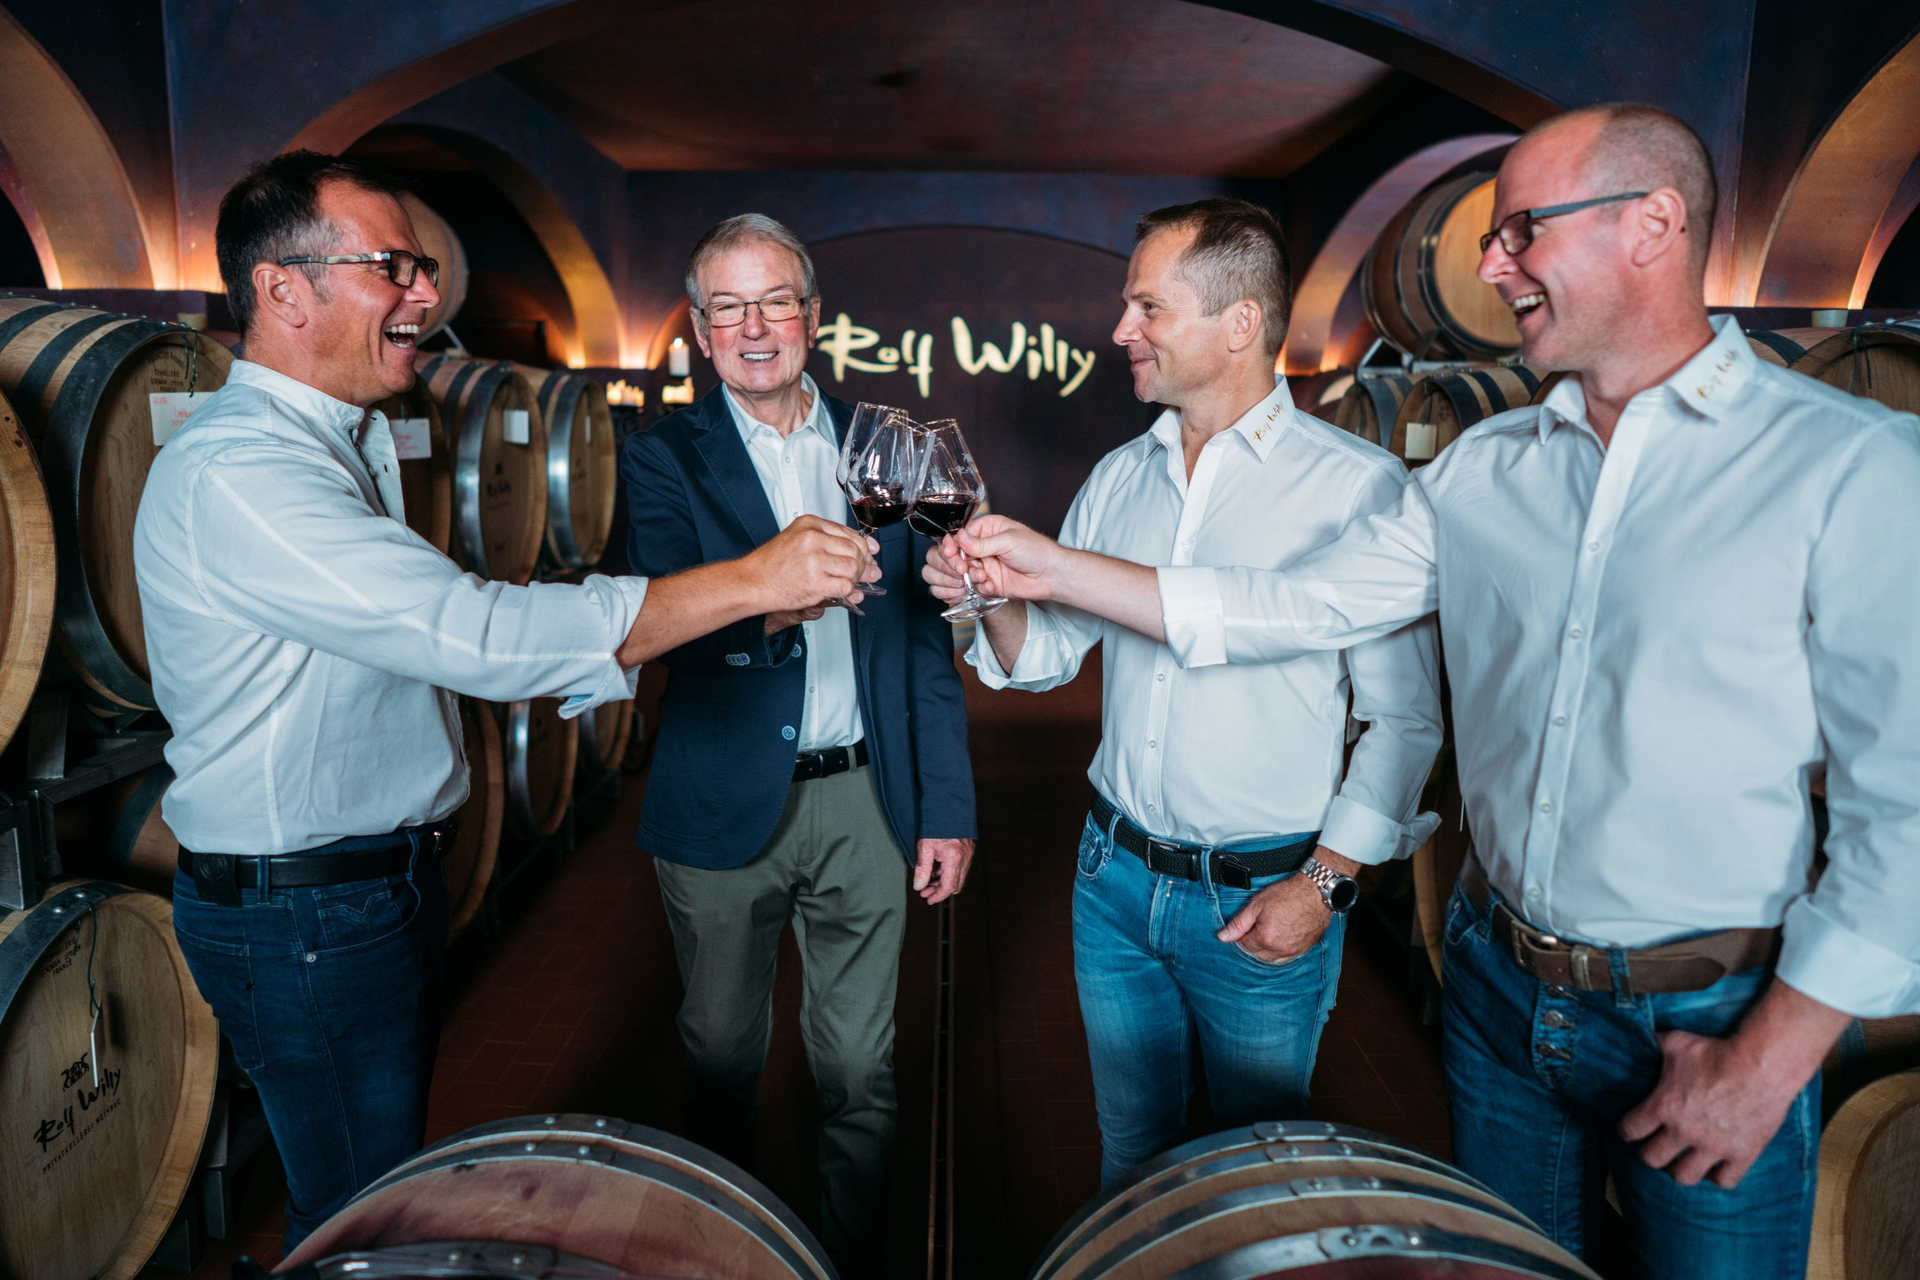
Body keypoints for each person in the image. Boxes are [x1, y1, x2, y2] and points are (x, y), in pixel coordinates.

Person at [926, 106, 1920, 1278]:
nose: (1493, 264)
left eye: (1522, 229)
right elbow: (1293, 608)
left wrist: (1773, 1055)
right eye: (1491, 236)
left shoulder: (1848, 464)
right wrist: (1037, 573)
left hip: (1706, 1006)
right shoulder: (1483, 469)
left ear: (1653, 225)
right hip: (1493, 983)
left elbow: (1904, 805)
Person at [134, 154, 878, 1252]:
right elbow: (471, 634)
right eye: (393, 266)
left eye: (422, 266)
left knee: (372, 1187)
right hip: (306, 911)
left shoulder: (341, 441)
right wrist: (754, 580)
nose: (427, 291)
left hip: (359, 890)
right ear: (283, 289)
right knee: (356, 1219)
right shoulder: (243, 473)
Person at [928, 198, 1443, 1186]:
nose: (1122, 328)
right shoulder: (1121, 476)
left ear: (1240, 322)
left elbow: (1405, 722)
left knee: (1256, 1175)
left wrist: (1324, 885)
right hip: (1111, 882)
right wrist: (986, 600)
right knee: (1131, 1159)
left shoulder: (1361, 490)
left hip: (1263, 897)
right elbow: (1043, 657)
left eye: (1149, 307)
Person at [619, 213, 975, 1277]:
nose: (753, 327)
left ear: (812, 316)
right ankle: (725, 1256)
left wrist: (947, 807)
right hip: (720, 791)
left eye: (774, 301)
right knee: (720, 1057)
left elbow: (921, 644)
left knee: (860, 1068)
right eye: (727, 308)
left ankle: (849, 1256)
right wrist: (779, 596)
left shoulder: (884, 446)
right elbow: (655, 628)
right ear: (700, 329)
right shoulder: (661, 456)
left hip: (866, 797)